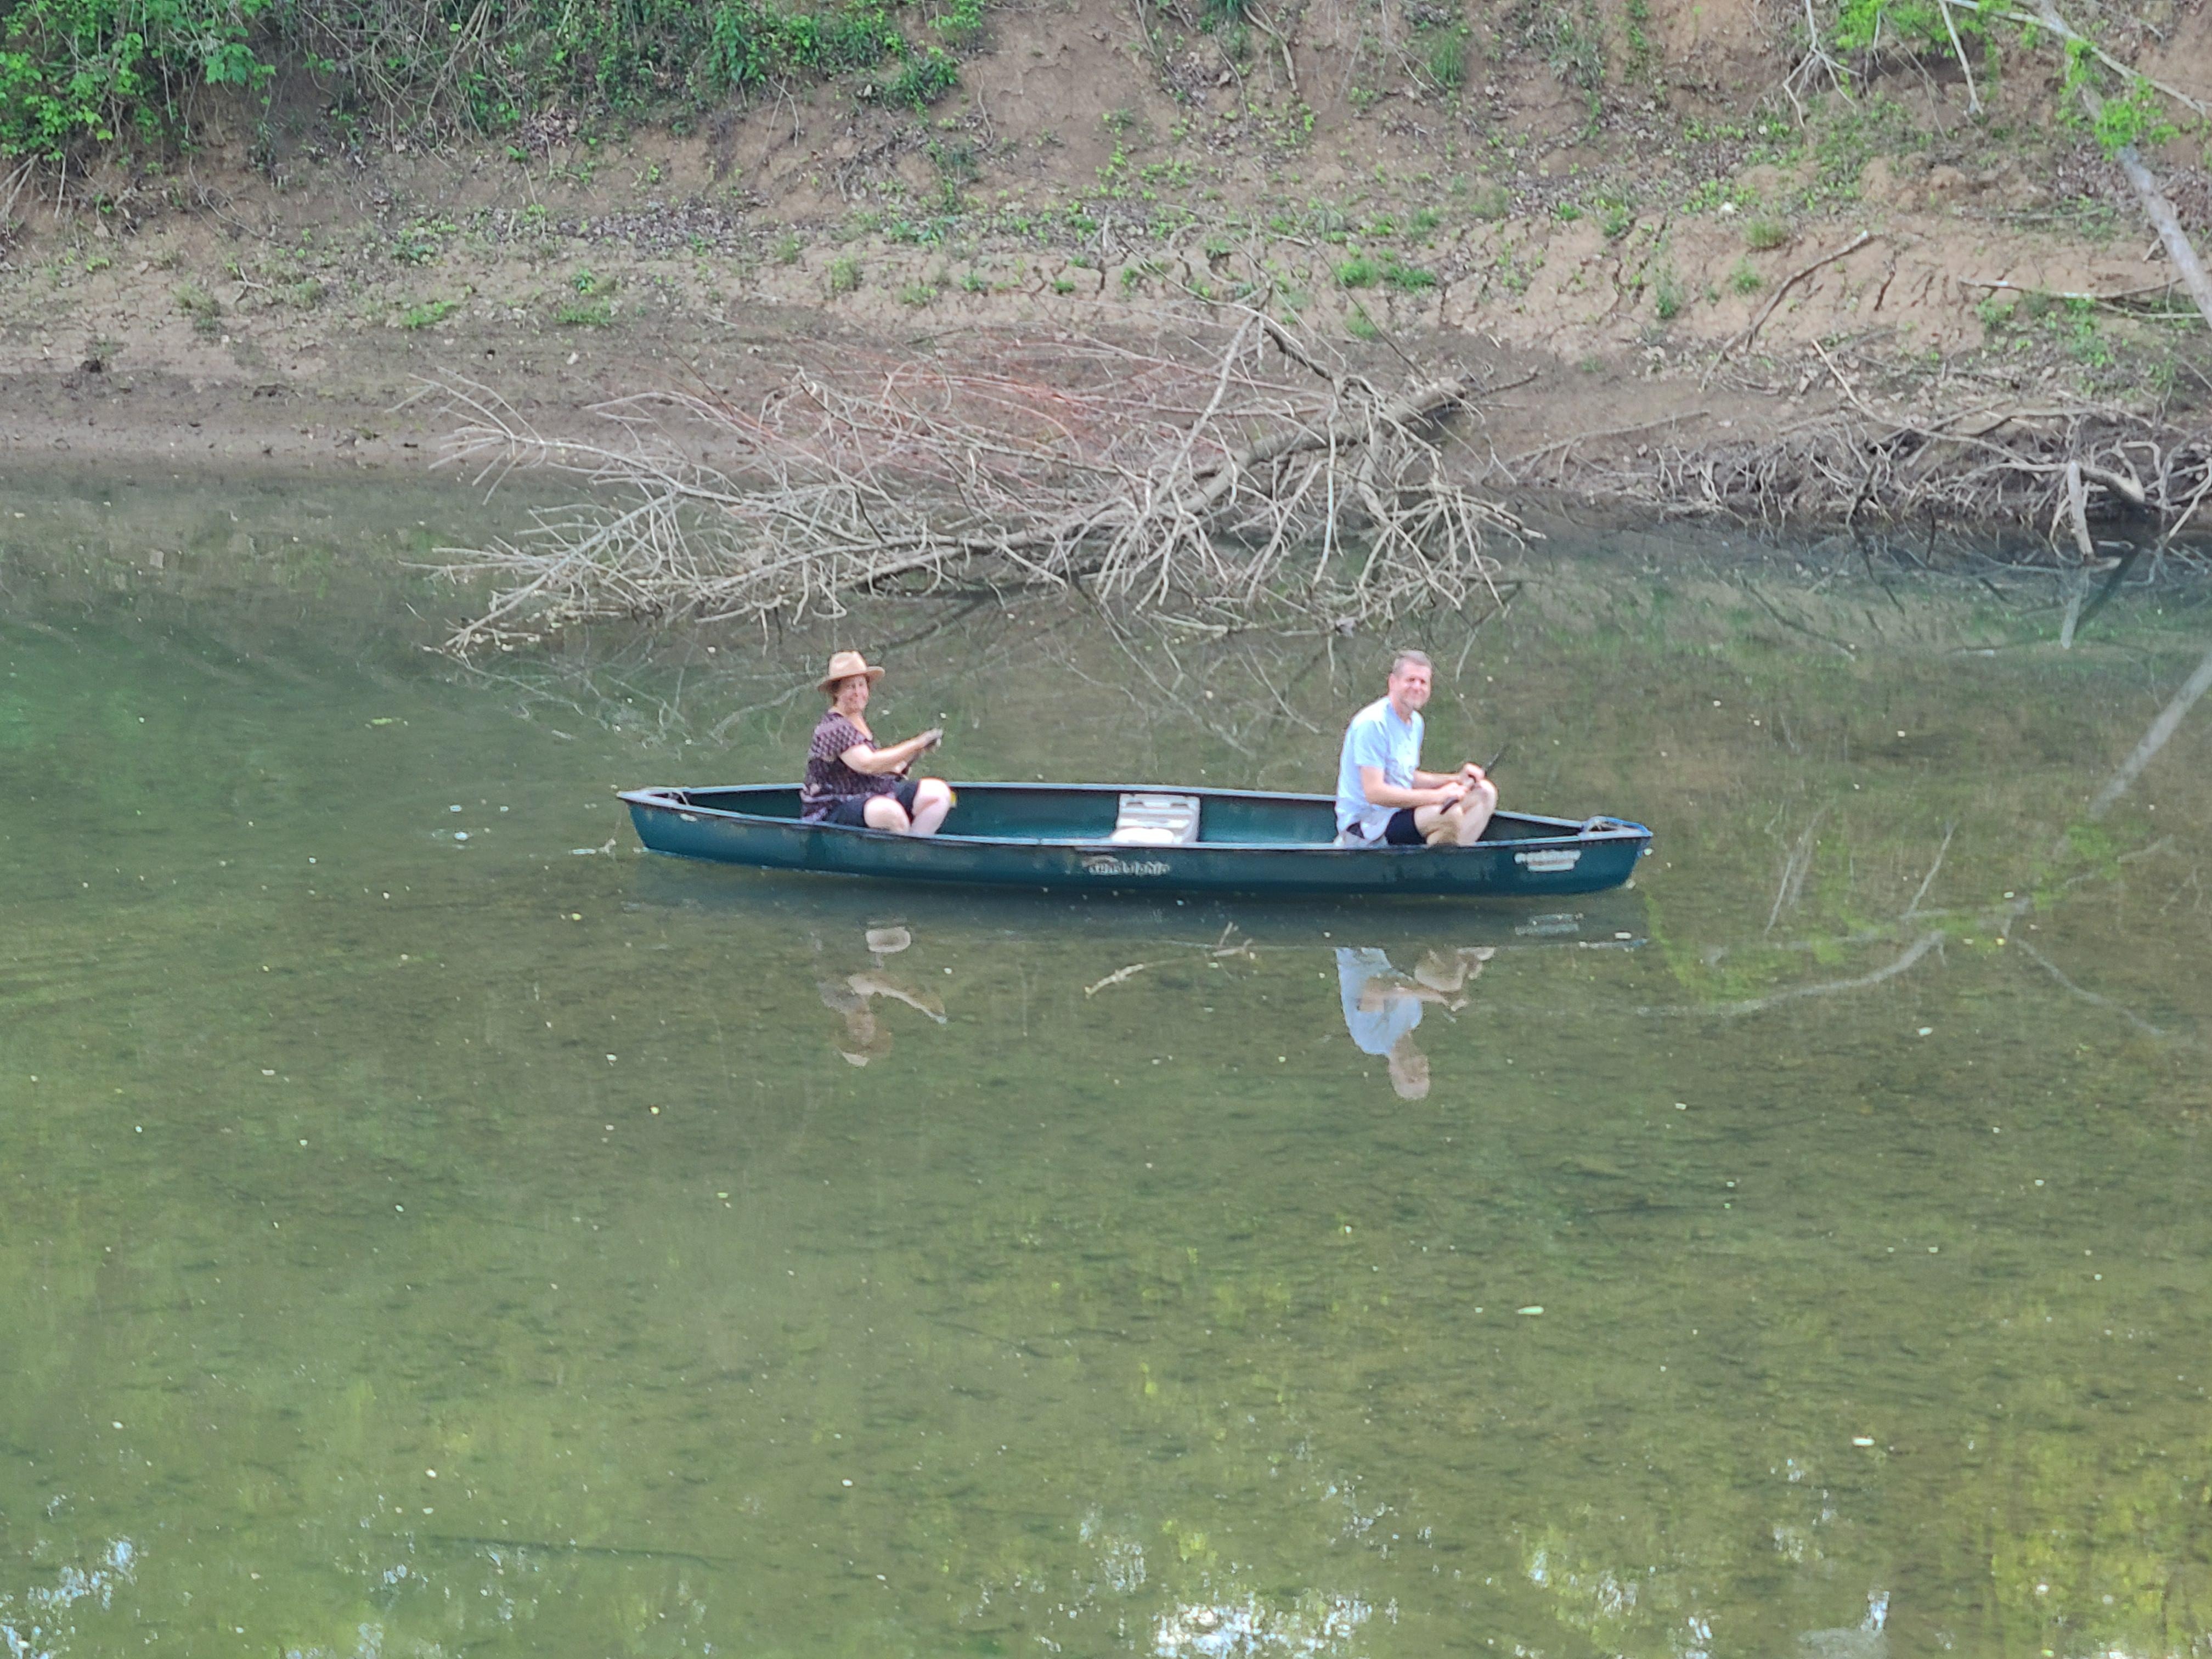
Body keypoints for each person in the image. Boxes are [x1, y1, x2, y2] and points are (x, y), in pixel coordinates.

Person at [1334, 648, 1497, 849]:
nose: (1417, 687)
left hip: (1398, 815)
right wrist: (1438, 796)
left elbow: (1406, 778)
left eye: (1423, 682)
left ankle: (1449, 864)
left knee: (1485, 793)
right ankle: (1436, 872)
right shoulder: (1373, 723)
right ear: (1393, 682)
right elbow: (1375, 793)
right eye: (1410, 680)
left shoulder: (1416, 723)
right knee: (1449, 815)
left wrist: (1456, 780)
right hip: (1365, 827)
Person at [802, 651, 953, 834]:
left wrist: (913, 756)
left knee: (938, 793)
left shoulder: (856, 719)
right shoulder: (833, 727)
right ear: (836, 691)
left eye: (862, 685)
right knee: (891, 813)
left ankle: (914, 851)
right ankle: (901, 856)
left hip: (872, 792)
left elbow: (880, 768)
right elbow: (867, 764)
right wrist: (915, 745)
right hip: (836, 806)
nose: (858, 693)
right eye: (850, 687)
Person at [1336, 945, 1495, 1099]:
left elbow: (1374, 988)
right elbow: (1414, 984)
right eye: (1425, 1075)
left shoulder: (1371, 1040)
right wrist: (1462, 979)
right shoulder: (1414, 1019)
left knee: (1450, 980)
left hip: (1364, 950)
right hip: (1400, 958)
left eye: (1411, 1078)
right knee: (1484, 952)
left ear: (1392, 1071)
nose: (1421, 1070)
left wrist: (1436, 996)